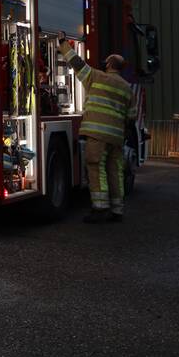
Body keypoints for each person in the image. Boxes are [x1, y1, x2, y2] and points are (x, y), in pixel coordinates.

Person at [57, 32, 135, 223]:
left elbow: (76, 63)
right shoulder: (127, 87)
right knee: (115, 171)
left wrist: (62, 43)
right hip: (116, 138)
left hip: (97, 135)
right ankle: (117, 210)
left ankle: (99, 209)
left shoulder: (97, 77)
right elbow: (131, 117)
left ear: (108, 65)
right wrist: (123, 133)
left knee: (95, 167)